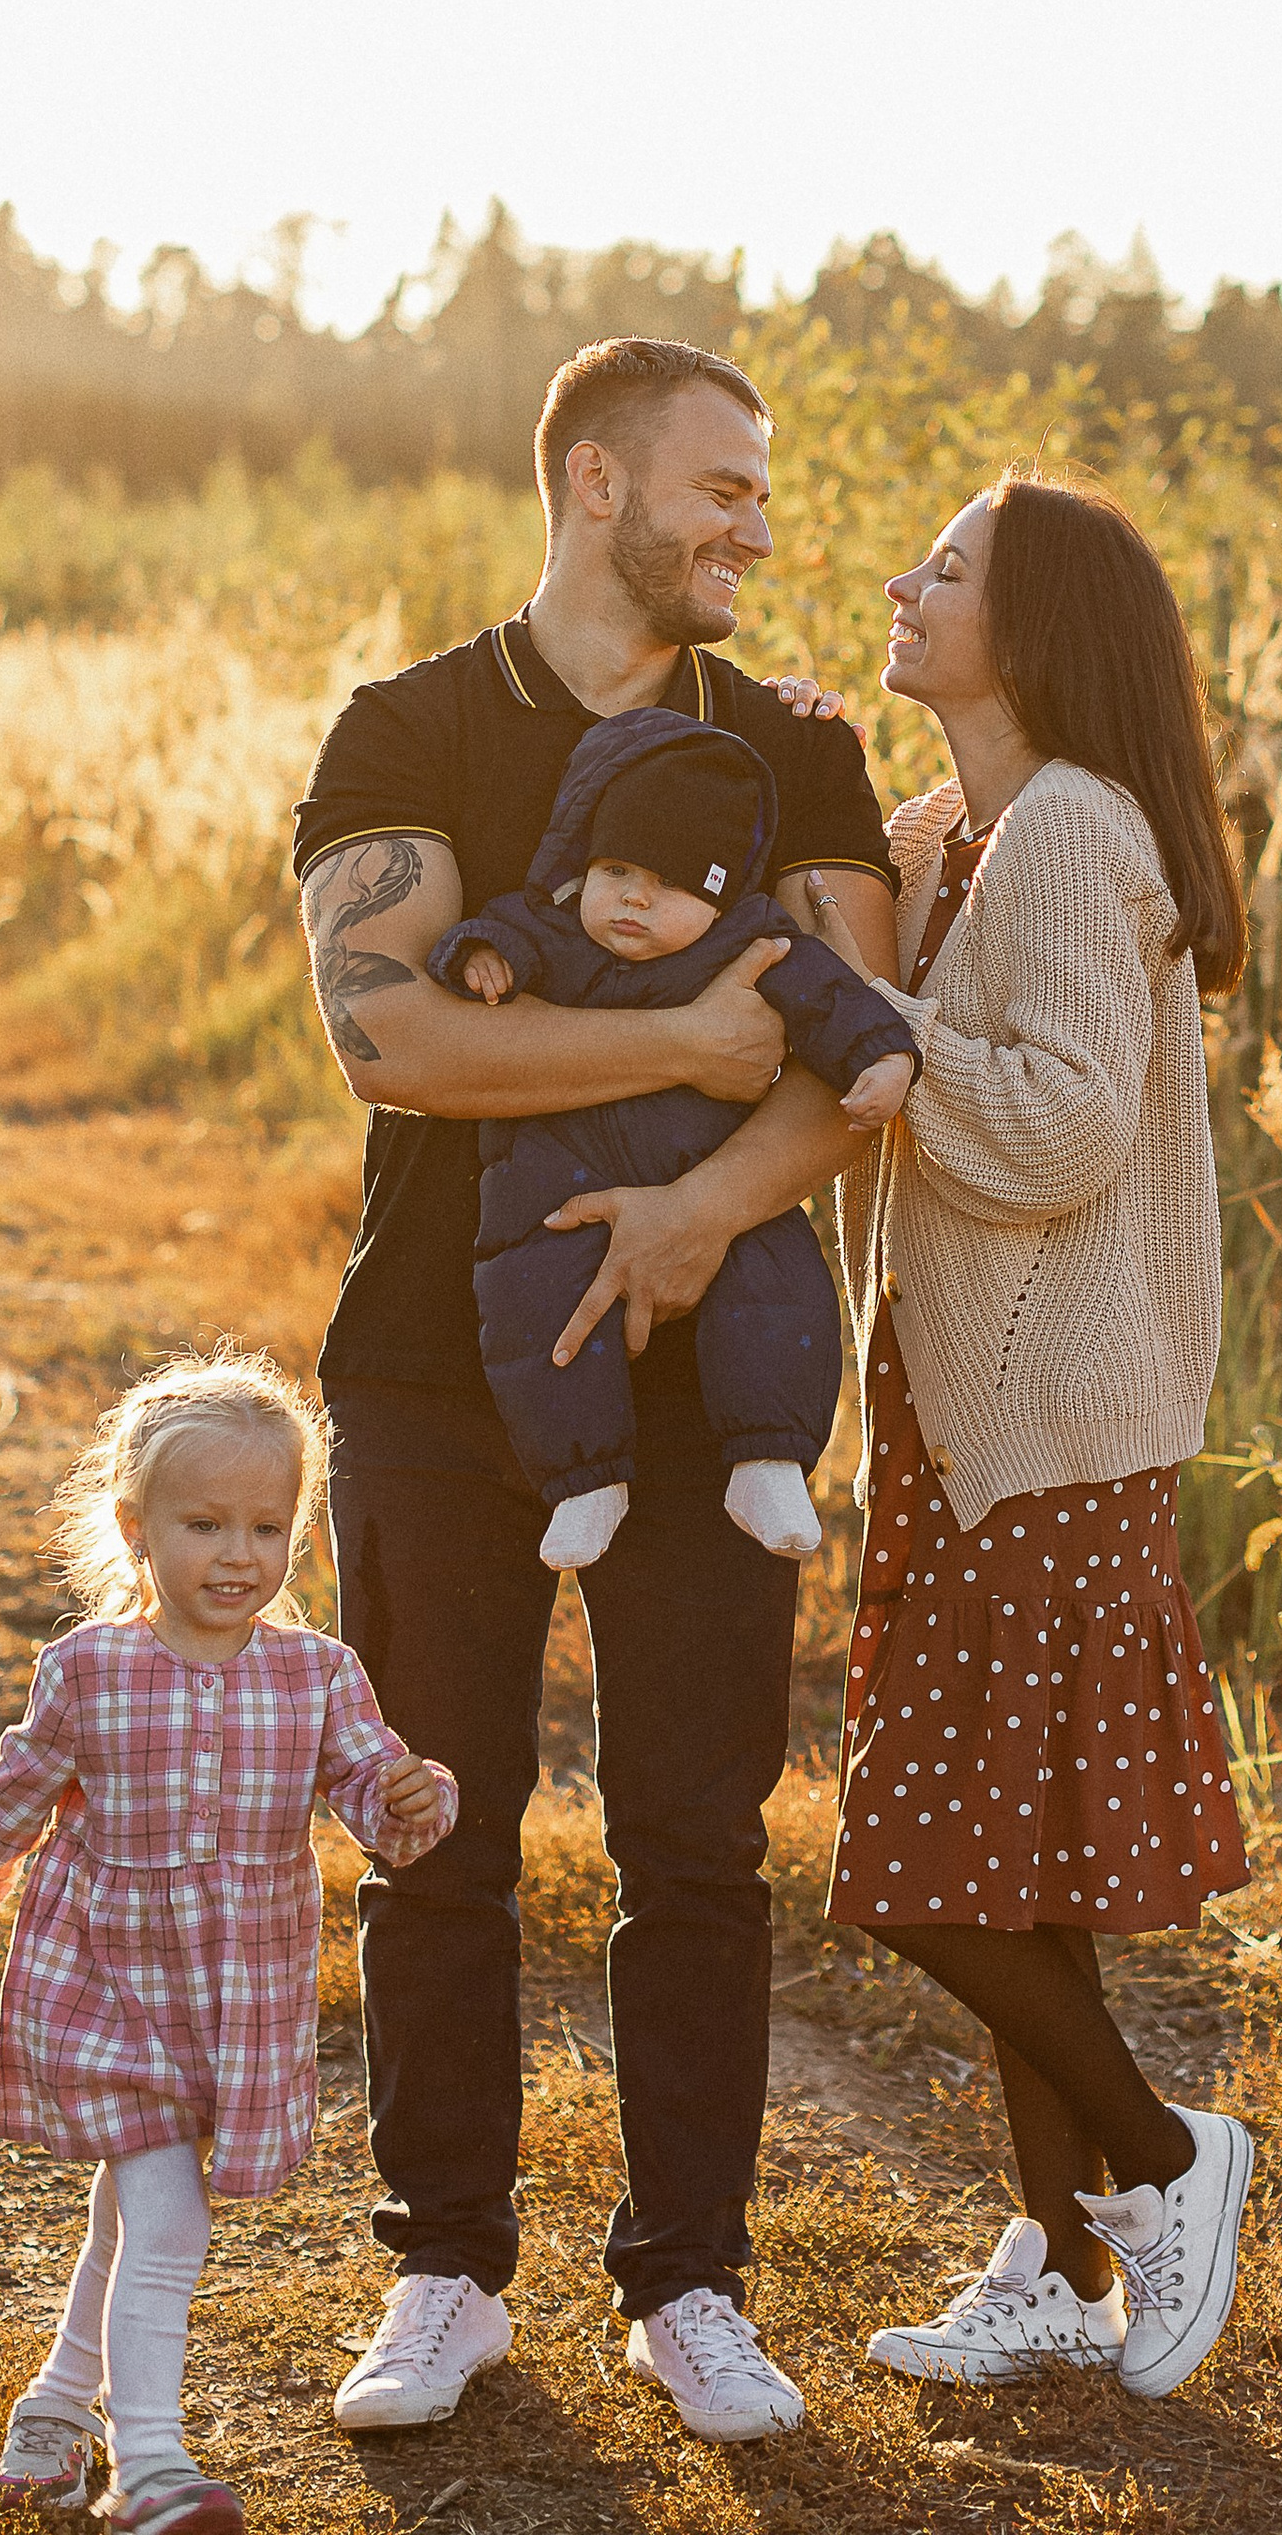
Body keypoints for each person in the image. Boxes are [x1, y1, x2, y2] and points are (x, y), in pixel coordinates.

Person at [291, 336, 900, 2445]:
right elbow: (394, 1046)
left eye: (760, 493)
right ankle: (446, 2268)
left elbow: (851, 1062)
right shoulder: (410, 729)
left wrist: (680, 1220)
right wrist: (683, 1052)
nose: (753, 525)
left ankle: (689, 2284)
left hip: (705, 1375)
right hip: (430, 1374)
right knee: (435, 1829)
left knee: (696, 1842)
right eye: (719, 487)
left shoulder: (797, 751)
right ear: (590, 481)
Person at [807, 475, 1257, 2404]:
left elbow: (1067, 1122)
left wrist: (879, 1033)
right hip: (969, 1406)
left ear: (1040, 628)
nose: (905, 585)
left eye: (949, 570)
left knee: (921, 1866)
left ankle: (1168, 2163)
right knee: (1015, 1856)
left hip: (1051, 1416)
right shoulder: (967, 831)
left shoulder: (1074, 828)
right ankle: (1060, 2260)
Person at [0, 1356, 456, 2531]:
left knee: (131, 2205)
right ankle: (149, 2471)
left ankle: (53, 2406)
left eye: (266, 1526)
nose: (239, 1555)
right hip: (105, 1987)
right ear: (136, 1528)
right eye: (204, 1524)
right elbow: (7, 1799)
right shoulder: (90, 1670)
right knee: (170, 2218)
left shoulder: (316, 1674)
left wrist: (411, 1798)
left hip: (232, 2002)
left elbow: (369, 1793)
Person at [430, 706, 917, 1570]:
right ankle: (584, 1480)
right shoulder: (551, 925)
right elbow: (488, 928)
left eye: (671, 885)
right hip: (554, 1187)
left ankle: (767, 1459)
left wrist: (884, 1059)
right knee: (534, 1304)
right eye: (615, 869)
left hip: (713, 1171)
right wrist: (479, 956)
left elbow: (838, 1000)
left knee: (775, 1286)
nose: (634, 900)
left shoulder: (758, 943)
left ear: (723, 896)